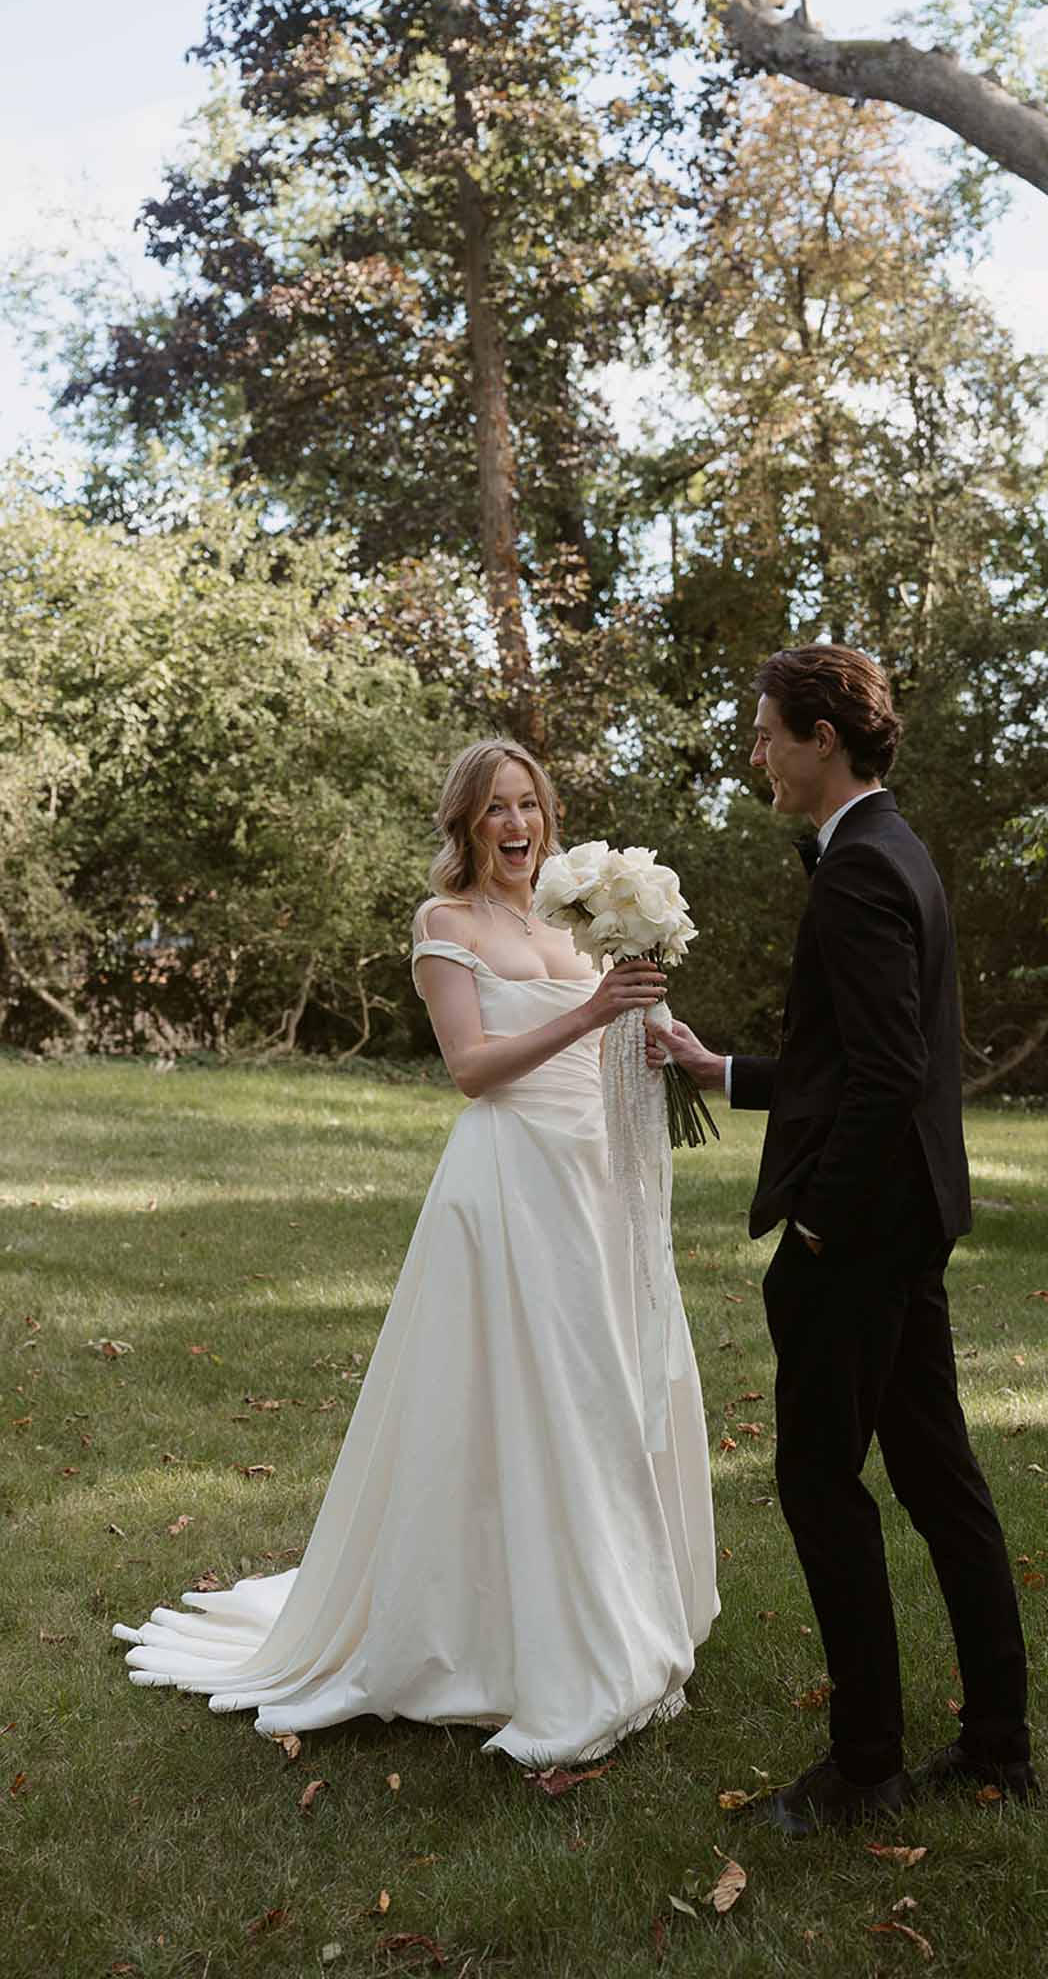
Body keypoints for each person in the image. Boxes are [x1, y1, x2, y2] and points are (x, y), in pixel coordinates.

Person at [115, 739, 717, 1766]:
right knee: (516, 1397)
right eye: (496, 810)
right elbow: (472, 1068)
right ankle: (488, 1629)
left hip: (595, 1177)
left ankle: (613, 1597)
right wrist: (587, 1012)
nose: (518, 826)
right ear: (464, 824)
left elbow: (621, 1026)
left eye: (529, 805)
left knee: (601, 1387)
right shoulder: (444, 925)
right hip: (510, 1180)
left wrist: (657, 1032)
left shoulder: (576, 913)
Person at [649, 645, 1036, 1836]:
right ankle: (995, 1747)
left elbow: (884, 1076)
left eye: (767, 733)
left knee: (821, 1480)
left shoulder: (859, 871)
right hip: (910, 1217)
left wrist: (814, 1223)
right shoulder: (893, 848)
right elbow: (860, 1060)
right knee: (936, 1477)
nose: (757, 754)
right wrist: (727, 1070)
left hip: (859, 1232)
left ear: (821, 736)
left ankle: (864, 1764)